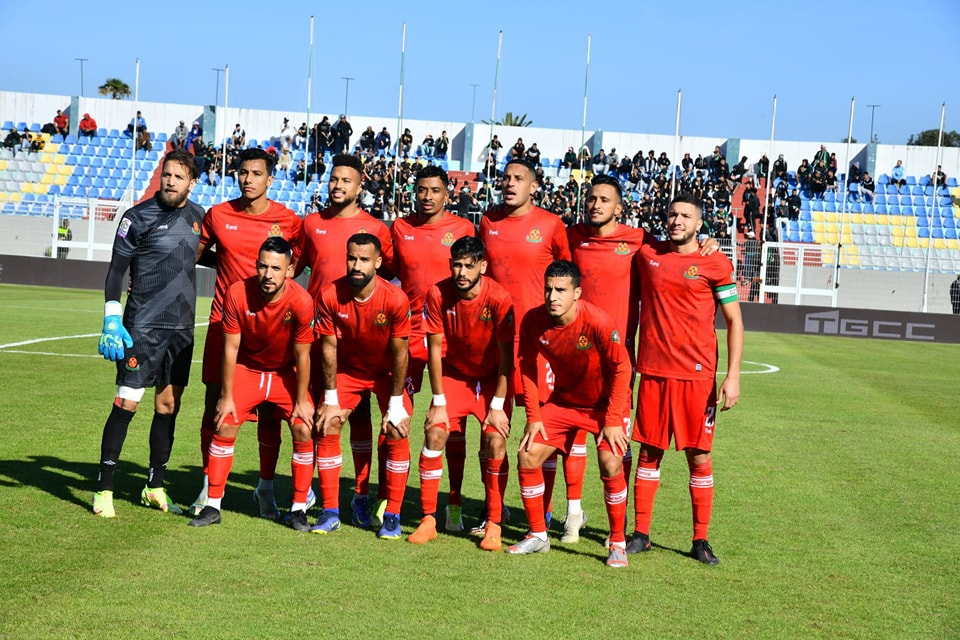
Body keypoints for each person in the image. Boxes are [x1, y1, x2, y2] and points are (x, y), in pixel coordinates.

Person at [189, 148, 305, 520]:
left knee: (272, 413)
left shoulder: (288, 221)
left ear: (270, 179)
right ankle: (209, 485)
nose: (248, 179)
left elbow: (295, 264)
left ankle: (265, 488)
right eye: (242, 172)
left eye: (256, 173)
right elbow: (194, 254)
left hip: (272, 328)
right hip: (225, 325)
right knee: (216, 405)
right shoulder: (219, 215)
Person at [628, 192, 743, 565]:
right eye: (672, 214)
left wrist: (733, 376)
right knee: (649, 453)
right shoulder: (647, 254)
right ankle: (642, 534)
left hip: (696, 377)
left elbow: (734, 322)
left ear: (698, 223)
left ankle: (700, 540)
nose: (677, 220)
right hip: (655, 374)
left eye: (685, 216)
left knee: (699, 456)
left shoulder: (715, 262)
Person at [92, 150, 203, 518]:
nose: (170, 181)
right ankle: (104, 490)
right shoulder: (136, 217)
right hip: (142, 327)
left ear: (192, 182)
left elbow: (215, 255)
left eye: (178, 177)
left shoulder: (200, 219)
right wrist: (112, 317)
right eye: (166, 175)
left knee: (168, 406)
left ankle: (154, 486)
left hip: (182, 330)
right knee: (127, 402)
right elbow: (115, 272)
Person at [506, 260, 632, 568]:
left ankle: (617, 542)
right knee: (528, 455)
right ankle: (538, 535)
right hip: (564, 402)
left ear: (577, 292)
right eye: (548, 289)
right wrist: (534, 417)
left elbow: (622, 368)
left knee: (610, 461)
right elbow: (526, 366)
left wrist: (614, 419)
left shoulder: (598, 321)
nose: (552, 296)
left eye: (560, 290)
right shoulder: (534, 321)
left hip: (605, 405)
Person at [188, 237, 315, 529]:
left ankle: (297, 509)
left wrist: (301, 401)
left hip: (285, 372)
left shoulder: (301, 301)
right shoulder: (237, 293)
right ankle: (212, 505)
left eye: (276, 268)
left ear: (290, 270)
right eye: (263, 266)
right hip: (248, 369)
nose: (268, 274)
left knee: (303, 426)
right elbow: (230, 348)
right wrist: (227, 395)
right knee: (226, 421)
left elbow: (303, 355)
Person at [296, 153, 395, 528]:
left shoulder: (375, 228)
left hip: (370, 339)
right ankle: (317, 493)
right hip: (325, 337)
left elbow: (392, 275)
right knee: (323, 415)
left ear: (359, 186)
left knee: (371, 420)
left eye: (345, 181)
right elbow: (296, 267)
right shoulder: (311, 223)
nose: (337, 186)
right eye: (333, 179)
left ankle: (366, 494)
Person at [478, 158, 571, 532]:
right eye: (506, 178)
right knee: (493, 432)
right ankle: (493, 515)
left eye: (519, 179)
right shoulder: (488, 221)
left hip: (539, 344)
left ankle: (544, 514)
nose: (510, 183)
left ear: (534, 186)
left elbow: (566, 276)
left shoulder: (551, 225)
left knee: (541, 431)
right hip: (495, 342)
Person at [408, 236, 514, 549]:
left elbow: (507, 358)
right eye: (457, 264)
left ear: (483, 266)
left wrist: (497, 405)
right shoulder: (438, 293)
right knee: (435, 433)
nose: (462, 272)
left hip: (492, 379)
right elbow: (435, 349)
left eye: (469, 265)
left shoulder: (499, 297)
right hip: (454, 376)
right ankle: (430, 518)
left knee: (495, 438)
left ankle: (493, 522)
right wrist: (438, 402)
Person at [389, 165, 477, 530]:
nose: (427, 196)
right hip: (408, 336)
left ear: (447, 194)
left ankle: (453, 502)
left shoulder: (464, 229)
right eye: (422, 190)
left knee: (451, 424)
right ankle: (391, 504)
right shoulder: (400, 228)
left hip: (449, 336)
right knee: (396, 416)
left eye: (435, 190)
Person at [312, 233, 412, 539]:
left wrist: (396, 404)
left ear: (378, 263)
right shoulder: (330, 295)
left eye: (364, 259)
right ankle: (331, 512)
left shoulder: (394, 299)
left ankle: (392, 514)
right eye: (352, 258)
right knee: (327, 422)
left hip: (386, 374)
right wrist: (330, 398)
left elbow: (400, 353)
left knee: (397, 428)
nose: (357, 265)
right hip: (350, 371)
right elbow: (328, 348)